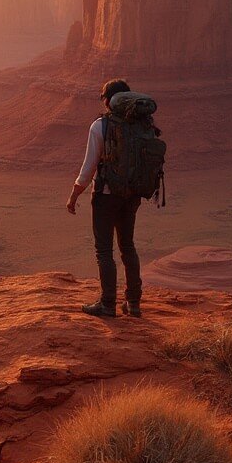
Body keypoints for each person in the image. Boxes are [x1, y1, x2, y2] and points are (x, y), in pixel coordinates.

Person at [65, 78, 143, 318]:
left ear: (109, 100)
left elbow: (88, 169)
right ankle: (133, 303)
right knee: (128, 246)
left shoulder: (101, 126)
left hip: (106, 196)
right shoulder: (142, 124)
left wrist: (74, 195)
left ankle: (107, 303)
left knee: (104, 250)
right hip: (131, 195)